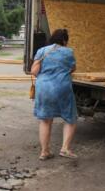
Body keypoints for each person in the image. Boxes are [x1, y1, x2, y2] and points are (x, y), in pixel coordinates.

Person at [31, 29, 77, 160]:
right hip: (62, 86)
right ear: (64, 40)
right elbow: (73, 68)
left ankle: (45, 152)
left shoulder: (42, 51)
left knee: (45, 120)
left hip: (43, 87)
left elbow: (34, 71)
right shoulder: (68, 52)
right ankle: (65, 149)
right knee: (70, 118)